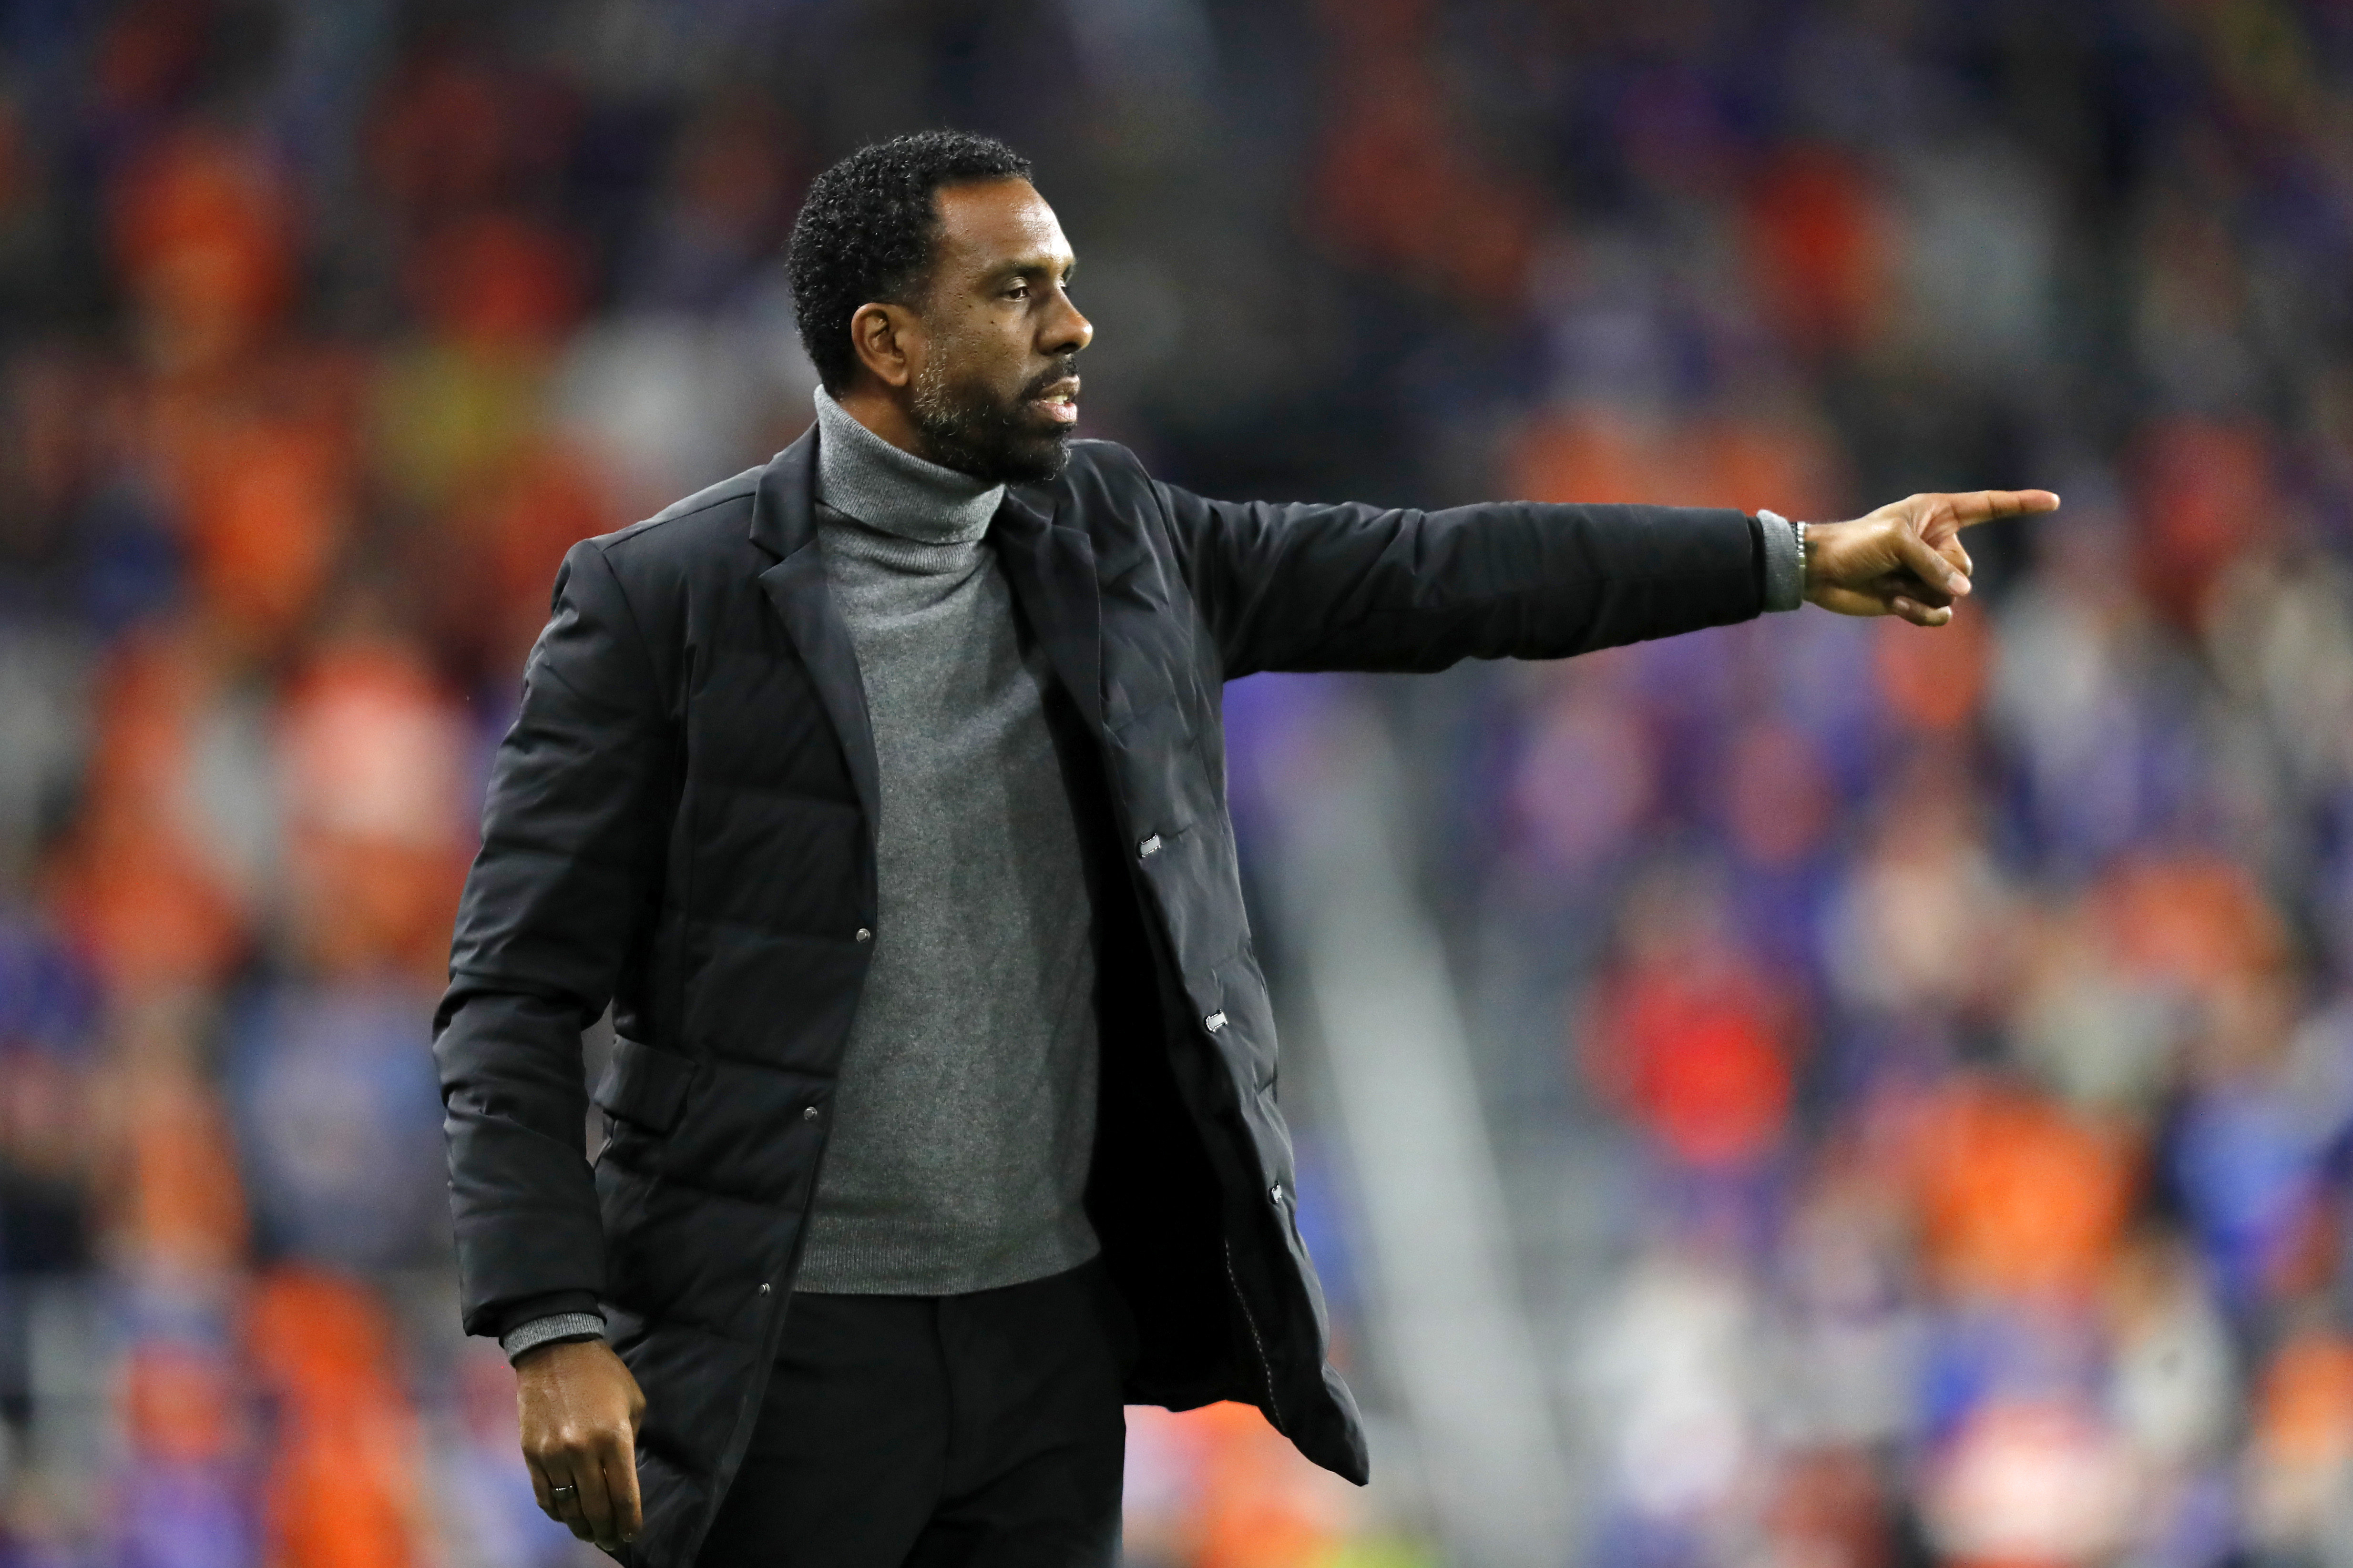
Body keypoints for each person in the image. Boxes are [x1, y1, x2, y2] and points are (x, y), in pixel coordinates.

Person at [431, 130, 2057, 1568]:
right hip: (783, 1349)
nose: (1073, 326)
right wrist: (551, 1318)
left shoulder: (1122, 535)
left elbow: (1446, 577)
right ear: (886, 339)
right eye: (1017, 293)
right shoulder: (663, 601)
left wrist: (1792, 560)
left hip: (1047, 1349)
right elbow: (510, 994)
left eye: (1063, 282)